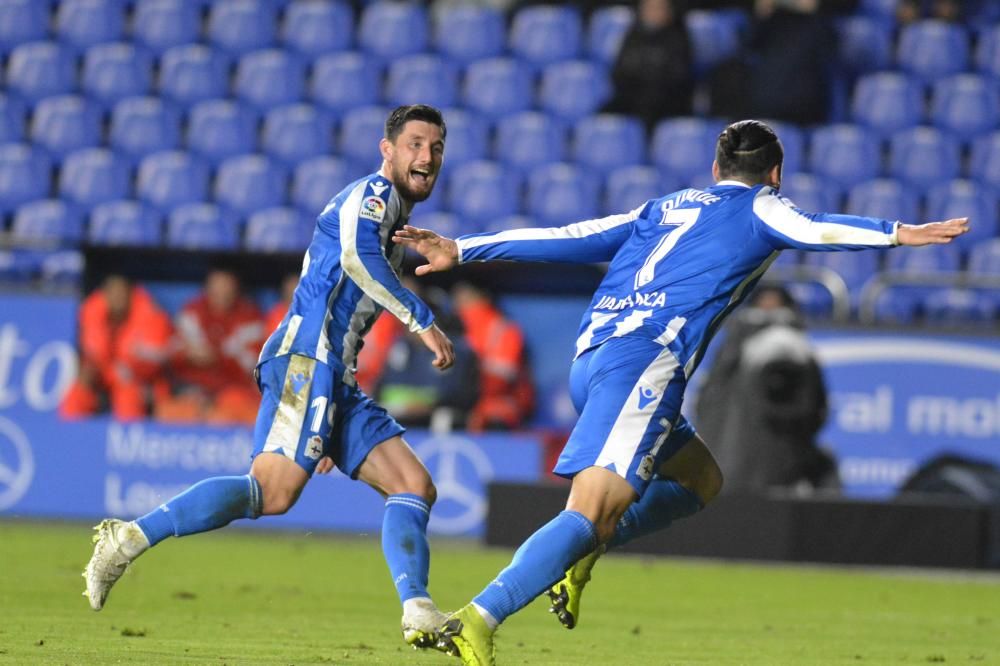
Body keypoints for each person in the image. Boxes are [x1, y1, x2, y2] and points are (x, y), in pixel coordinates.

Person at [393, 119, 969, 665]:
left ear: (714, 168)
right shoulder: (762, 207)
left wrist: (465, 248)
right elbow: (815, 229)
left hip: (591, 358)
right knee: (591, 511)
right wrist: (898, 233)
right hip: (642, 366)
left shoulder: (664, 207)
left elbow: (575, 236)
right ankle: (479, 618)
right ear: (776, 175)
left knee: (700, 480)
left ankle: (584, 549)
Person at [84, 105, 457, 649]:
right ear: (388, 149)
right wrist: (420, 318)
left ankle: (418, 609)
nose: (427, 157)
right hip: (307, 360)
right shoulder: (372, 198)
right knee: (272, 492)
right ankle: (127, 539)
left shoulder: (394, 216)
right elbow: (356, 259)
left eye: (437, 147)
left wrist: (329, 416)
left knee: (413, 485)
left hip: (334, 375)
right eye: (415, 144)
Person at [696, 284, 838, 493]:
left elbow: (809, 408)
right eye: (763, 307)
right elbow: (709, 400)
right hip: (732, 456)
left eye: (776, 307)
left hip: (780, 459)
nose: (769, 314)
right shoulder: (733, 348)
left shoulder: (792, 349)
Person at [155, 268, 265, 425]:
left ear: (236, 289)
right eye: (216, 287)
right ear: (207, 288)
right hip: (192, 389)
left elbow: (252, 366)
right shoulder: (192, 311)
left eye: (226, 287)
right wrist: (188, 354)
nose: (221, 292)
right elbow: (172, 354)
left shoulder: (250, 318)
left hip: (232, 389)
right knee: (168, 411)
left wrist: (217, 357)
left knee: (226, 414)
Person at [59, 274, 173, 421]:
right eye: (112, 292)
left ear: (130, 294)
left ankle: (127, 439)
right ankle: (69, 432)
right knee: (83, 378)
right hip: (107, 374)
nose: (117, 298)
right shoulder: (92, 311)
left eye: (121, 292)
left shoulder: (151, 313)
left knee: (126, 386)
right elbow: (94, 354)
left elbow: (154, 363)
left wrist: (129, 368)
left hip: (142, 380)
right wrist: (106, 369)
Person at [451, 282, 534, 431]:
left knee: (493, 415)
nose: (461, 304)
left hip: (499, 401)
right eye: (457, 298)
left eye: (468, 297)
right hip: (458, 402)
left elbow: (501, 379)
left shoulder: (503, 328)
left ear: (484, 297)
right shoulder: (449, 326)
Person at [602, 0, 694, 131]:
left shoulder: (679, 38)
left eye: (659, 8)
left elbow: (679, 77)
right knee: (605, 116)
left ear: (669, 12)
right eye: (649, 8)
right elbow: (619, 72)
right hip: (633, 97)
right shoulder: (632, 36)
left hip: (666, 101)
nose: (653, 13)